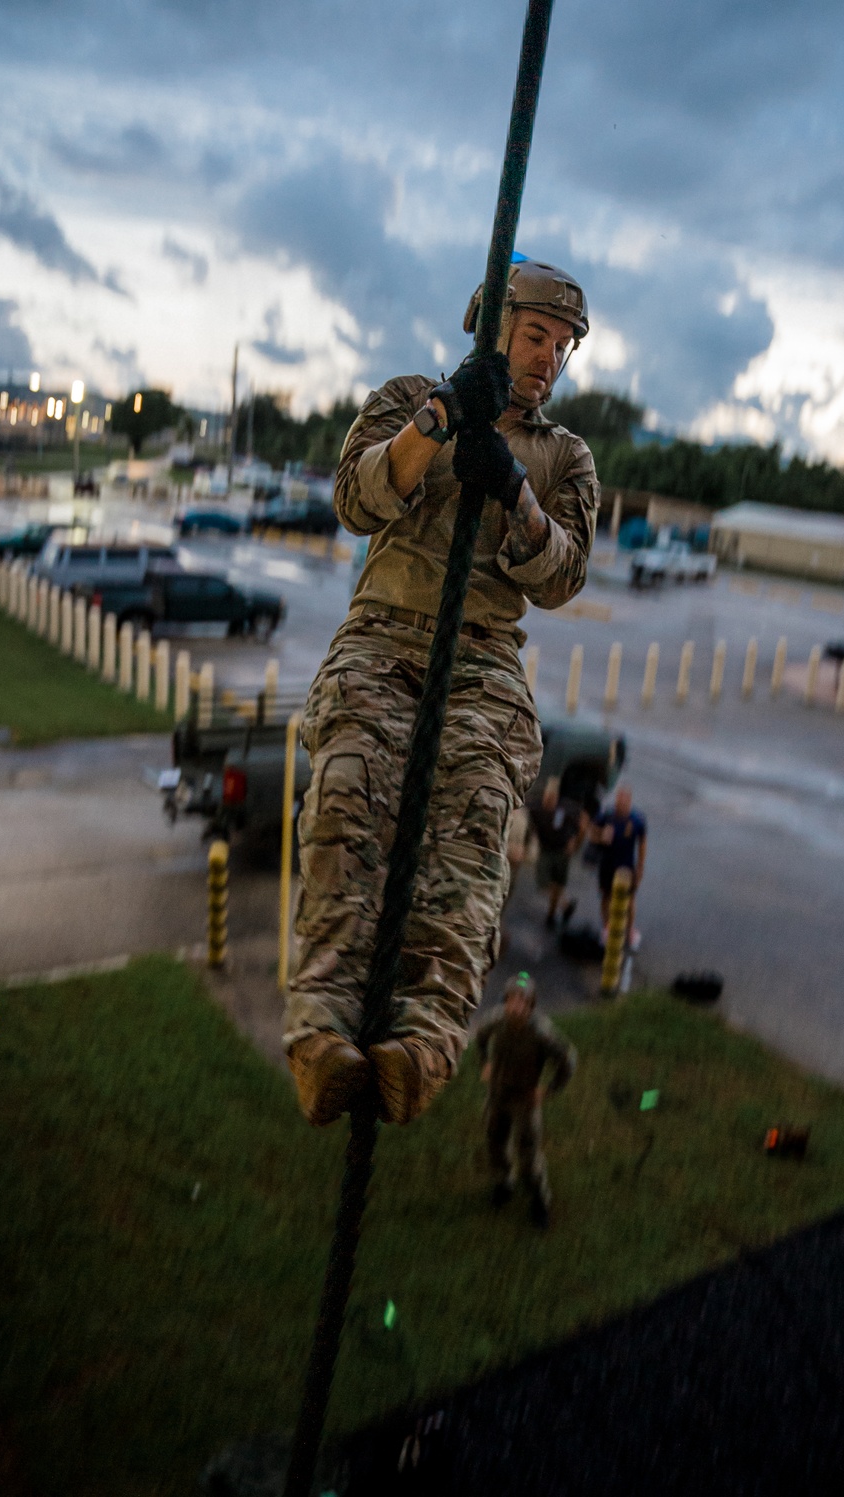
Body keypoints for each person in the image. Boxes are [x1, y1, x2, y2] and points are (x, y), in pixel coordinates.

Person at [284, 260, 598, 1129]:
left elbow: (564, 574)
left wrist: (515, 492)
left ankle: (419, 1045)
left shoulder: (566, 457)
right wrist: (440, 420)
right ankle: (321, 1037)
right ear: (491, 324)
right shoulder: (406, 397)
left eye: (563, 346)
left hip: (485, 659)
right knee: (347, 802)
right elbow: (357, 496)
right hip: (386, 634)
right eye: (536, 336)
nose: (549, 359)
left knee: (474, 843)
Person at [473, 971, 576, 1230]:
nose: (515, 1006)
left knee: (529, 1155)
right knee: (495, 1141)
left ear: (530, 1004)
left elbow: (567, 1060)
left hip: (524, 1100)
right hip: (497, 1095)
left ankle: (539, 1199)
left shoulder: (541, 1032)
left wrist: (549, 1089)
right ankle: (504, 1182)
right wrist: (485, 1063)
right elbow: (481, 1036)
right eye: (511, 999)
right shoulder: (497, 1021)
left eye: (522, 1001)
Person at [590, 784, 646, 951]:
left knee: (629, 901)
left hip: (626, 868)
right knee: (606, 897)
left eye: (623, 801)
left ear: (629, 801)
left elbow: (642, 844)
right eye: (618, 800)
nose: (620, 803)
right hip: (607, 865)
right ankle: (607, 927)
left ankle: (629, 931)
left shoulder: (636, 820)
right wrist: (601, 836)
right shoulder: (607, 815)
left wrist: (640, 868)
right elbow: (592, 833)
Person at [527, 775, 587, 928]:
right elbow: (527, 816)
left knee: (559, 884)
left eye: (553, 798)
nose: (550, 801)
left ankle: (551, 915)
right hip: (547, 849)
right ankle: (565, 905)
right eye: (548, 797)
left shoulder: (566, 808)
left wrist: (576, 843)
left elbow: (583, 822)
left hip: (562, 851)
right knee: (544, 883)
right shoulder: (536, 807)